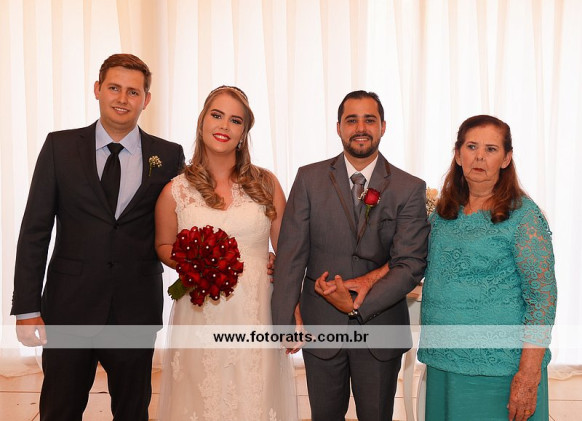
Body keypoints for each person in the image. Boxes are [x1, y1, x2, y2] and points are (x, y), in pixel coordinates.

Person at [10, 53, 185, 421]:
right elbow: (35, 231)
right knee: (60, 409)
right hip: (68, 308)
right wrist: (27, 309)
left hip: (135, 309)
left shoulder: (168, 155)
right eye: (114, 88)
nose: (123, 99)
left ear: (146, 99)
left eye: (133, 92)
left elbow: (187, 221)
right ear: (97, 90)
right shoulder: (59, 147)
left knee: (132, 411)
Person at [271, 90, 430, 421]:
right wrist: (285, 317)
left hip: (380, 325)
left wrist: (357, 305)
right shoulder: (309, 179)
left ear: (383, 126)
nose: (361, 128)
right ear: (338, 127)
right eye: (351, 120)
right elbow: (291, 254)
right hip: (320, 323)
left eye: (369, 120)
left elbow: (411, 264)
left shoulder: (408, 187)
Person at [155, 85, 298, 421]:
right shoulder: (176, 190)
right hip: (199, 312)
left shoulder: (267, 184)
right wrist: (195, 263)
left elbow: (289, 254)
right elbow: (163, 245)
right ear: (202, 121)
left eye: (235, 120)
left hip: (257, 313)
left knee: (254, 399)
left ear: (244, 132)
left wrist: (293, 313)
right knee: (200, 400)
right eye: (217, 115)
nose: (224, 126)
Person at [417, 115, 557, 421]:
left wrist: (528, 375)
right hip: (444, 364)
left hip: (501, 370)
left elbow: (543, 300)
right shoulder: (442, 214)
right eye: (472, 147)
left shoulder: (524, 217)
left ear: (506, 159)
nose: (479, 156)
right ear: (458, 155)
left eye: (491, 149)